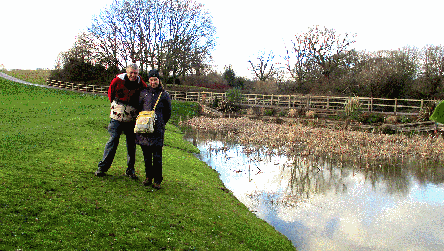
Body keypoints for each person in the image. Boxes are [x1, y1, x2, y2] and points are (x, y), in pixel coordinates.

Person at [95, 64, 147, 179]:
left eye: (136, 73)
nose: (133, 75)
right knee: (113, 140)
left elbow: (144, 98)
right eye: (131, 72)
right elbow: (110, 94)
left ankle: (130, 170)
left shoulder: (141, 84)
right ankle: (102, 168)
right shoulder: (117, 81)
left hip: (132, 119)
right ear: (127, 72)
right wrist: (116, 107)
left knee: (131, 144)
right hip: (117, 118)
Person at [136, 69, 172, 189]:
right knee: (146, 155)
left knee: (157, 156)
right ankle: (148, 177)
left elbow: (168, 112)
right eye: (151, 80)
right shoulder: (143, 92)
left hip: (157, 129)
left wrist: (161, 122)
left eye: (155, 80)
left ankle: (157, 180)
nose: (153, 82)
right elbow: (139, 107)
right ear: (149, 80)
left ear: (159, 80)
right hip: (144, 128)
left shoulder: (164, 94)